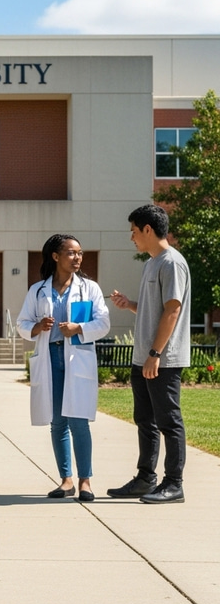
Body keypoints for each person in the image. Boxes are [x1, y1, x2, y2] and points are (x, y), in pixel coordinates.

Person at [108, 204, 191, 504]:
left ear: (147, 229)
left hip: (162, 359)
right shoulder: (150, 264)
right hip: (143, 357)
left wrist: (156, 353)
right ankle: (146, 478)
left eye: (133, 231)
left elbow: (172, 310)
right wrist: (130, 304)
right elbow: (153, 309)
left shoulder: (172, 263)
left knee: (168, 420)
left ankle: (174, 483)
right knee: (145, 419)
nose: (131, 238)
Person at [17, 234, 110, 502]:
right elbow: (23, 324)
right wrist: (37, 327)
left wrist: (78, 328)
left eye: (79, 253)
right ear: (55, 256)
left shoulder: (89, 288)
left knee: (78, 421)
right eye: (71, 253)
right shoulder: (38, 290)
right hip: (50, 357)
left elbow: (103, 323)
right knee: (57, 423)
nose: (77, 258)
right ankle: (66, 480)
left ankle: (85, 481)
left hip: (77, 358)